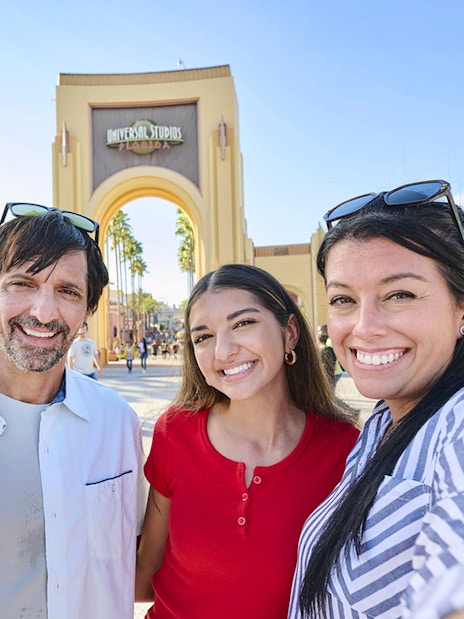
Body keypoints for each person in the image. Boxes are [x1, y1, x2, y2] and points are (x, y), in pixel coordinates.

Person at [135, 263, 359, 618]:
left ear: (289, 333)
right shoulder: (174, 433)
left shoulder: (347, 451)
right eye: (203, 337)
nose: (223, 351)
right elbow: (145, 575)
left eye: (243, 323)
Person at [288, 180, 464, 619]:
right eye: (344, 299)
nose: (364, 327)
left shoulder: (455, 429)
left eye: (399, 294)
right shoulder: (383, 422)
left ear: (461, 307)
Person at [0, 202, 147, 619]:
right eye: (22, 284)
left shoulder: (117, 422)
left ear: (87, 311)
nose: (44, 313)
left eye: (68, 291)